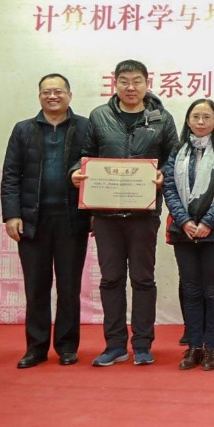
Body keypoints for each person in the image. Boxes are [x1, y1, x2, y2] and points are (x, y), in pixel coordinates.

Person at [72, 60, 178, 367]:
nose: (130, 87)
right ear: (115, 83)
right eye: (124, 81)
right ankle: (115, 345)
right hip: (106, 215)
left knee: (143, 279)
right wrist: (76, 173)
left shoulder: (162, 118)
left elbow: (174, 158)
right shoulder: (99, 116)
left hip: (144, 214)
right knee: (111, 280)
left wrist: (164, 174)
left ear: (147, 83)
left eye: (136, 81)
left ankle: (143, 344)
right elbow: (85, 156)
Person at [2, 74, 93, 368]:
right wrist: (12, 214)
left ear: (70, 95)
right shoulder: (23, 130)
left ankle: (67, 346)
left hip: (72, 219)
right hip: (33, 220)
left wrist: (94, 213)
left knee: (69, 287)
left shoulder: (85, 128)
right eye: (46, 92)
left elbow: (95, 168)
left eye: (58, 91)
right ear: (39, 96)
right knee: (36, 287)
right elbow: (10, 175)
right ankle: (36, 348)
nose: (52, 96)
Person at [161, 99, 214, 372]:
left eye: (207, 117)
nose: (201, 121)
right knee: (191, 290)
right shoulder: (175, 153)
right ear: (188, 121)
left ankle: (211, 348)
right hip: (184, 233)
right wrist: (184, 221)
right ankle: (194, 346)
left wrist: (207, 222)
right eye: (196, 116)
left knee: (213, 291)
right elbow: (169, 188)